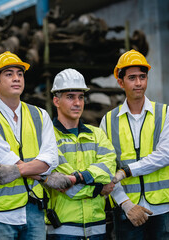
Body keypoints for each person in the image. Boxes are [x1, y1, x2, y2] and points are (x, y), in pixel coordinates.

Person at [0, 51, 68, 240]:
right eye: (9, 74)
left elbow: (51, 159)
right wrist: (44, 177)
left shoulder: (40, 115)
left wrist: (26, 170)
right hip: (1, 212)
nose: (16, 78)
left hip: (34, 208)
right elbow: (6, 161)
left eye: (20, 74)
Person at [100, 50, 169, 240]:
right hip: (128, 211)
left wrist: (126, 171)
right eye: (132, 78)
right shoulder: (108, 121)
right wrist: (126, 204)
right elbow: (107, 168)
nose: (138, 83)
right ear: (121, 82)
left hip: (164, 208)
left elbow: (166, 155)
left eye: (142, 77)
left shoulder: (166, 113)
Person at [46, 68, 117, 240]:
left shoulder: (97, 134)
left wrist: (78, 177)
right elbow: (66, 188)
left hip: (98, 228)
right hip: (63, 230)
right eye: (70, 97)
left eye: (81, 97)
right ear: (56, 100)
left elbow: (108, 169)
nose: (77, 103)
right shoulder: (48, 137)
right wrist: (99, 189)